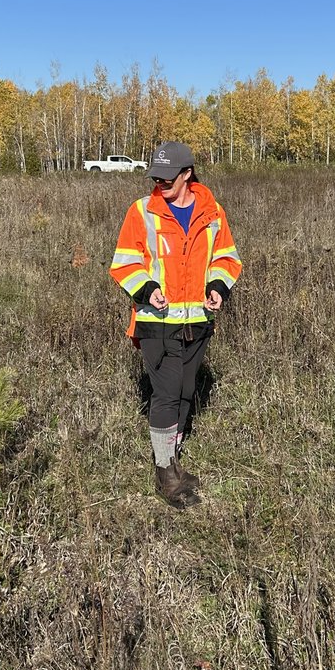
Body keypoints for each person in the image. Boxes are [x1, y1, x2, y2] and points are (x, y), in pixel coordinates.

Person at [109, 141, 242, 508]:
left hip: (198, 321)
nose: (161, 183)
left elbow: (227, 258)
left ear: (187, 174)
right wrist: (147, 289)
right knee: (166, 392)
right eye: (156, 177)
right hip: (156, 322)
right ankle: (165, 473)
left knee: (185, 390)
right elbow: (124, 262)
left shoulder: (213, 213)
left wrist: (217, 287)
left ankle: (174, 458)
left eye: (168, 177)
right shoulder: (141, 211)